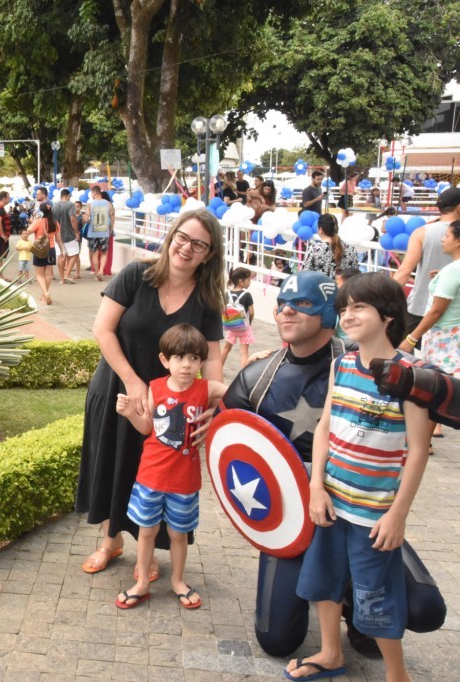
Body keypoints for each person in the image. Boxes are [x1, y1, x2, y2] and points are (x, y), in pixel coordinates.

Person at [218, 272, 445, 660]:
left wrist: (397, 513)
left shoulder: (375, 365)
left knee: (423, 608)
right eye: (283, 303)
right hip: (294, 515)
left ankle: (353, 599)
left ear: (327, 313)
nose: (287, 310)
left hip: (362, 509)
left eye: (302, 303)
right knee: (276, 640)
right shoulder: (257, 378)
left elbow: (419, 442)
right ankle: (334, 592)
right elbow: (231, 443)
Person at [286, 274, 431, 681]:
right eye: (344, 308)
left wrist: (397, 515)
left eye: (359, 308)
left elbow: (418, 451)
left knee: (377, 594)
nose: (348, 315)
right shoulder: (342, 364)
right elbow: (326, 428)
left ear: (387, 316)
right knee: (323, 581)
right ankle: (331, 652)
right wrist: (316, 486)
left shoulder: (412, 374)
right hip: (332, 501)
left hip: (374, 513)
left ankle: (397, 674)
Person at [76, 209, 225, 578]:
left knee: (160, 476)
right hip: (118, 386)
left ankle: (149, 554)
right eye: (183, 238)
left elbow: (214, 359)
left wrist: (214, 408)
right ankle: (111, 541)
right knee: (113, 462)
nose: (187, 249)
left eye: (199, 245)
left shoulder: (207, 300)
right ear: (172, 236)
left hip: (171, 404)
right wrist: (132, 380)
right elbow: (103, 330)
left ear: (208, 254)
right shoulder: (135, 276)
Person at [114, 325, 225, 610]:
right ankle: (142, 583)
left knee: (178, 534)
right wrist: (130, 414)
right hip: (151, 477)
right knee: (146, 531)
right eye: (178, 358)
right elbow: (147, 427)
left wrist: (219, 412)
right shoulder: (156, 387)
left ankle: (178, 580)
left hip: (185, 481)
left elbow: (240, 396)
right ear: (165, 360)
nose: (186, 365)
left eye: (193, 358)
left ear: (202, 361)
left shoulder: (206, 388)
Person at [392, 188, 460, 345]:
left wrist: (384, 299)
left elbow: (404, 271)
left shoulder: (422, 232)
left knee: (408, 362)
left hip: (421, 308)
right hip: (453, 316)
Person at [302, 213, 359, 278]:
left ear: (320, 229)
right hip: (345, 287)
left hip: (321, 287)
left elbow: (305, 273)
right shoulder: (351, 248)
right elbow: (355, 273)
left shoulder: (314, 249)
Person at [220, 267, 255, 370]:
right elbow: (252, 312)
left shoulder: (227, 294)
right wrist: (250, 322)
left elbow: (223, 310)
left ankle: (218, 369)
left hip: (231, 326)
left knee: (226, 348)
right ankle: (243, 373)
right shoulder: (247, 295)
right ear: (241, 281)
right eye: (248, 280)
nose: (250, 282)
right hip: (244, 327)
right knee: (244, 352)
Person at [29, 202, 58, 305]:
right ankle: (44, 295)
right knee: (49, 273)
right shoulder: (55, 223)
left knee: (39, 274)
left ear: (41, 211)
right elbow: (58, 239)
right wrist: (63, 251)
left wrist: (33, 221)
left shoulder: (38, 222)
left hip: (39, 249)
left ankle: (45, 293)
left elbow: (28, 231)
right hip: (51, 249)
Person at [86, 186, 112, 281]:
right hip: (104, 231)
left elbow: (86, 217)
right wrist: (111, 228)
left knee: (95, 253)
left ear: (94, 193)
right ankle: (101, 271)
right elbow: (112, 216)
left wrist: (84, 220)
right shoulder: (108, 204)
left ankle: (97, 273)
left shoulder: (90, 204)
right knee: (104, 253)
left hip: (93, 232)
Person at [53, 188, 79, 284]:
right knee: (75, 253)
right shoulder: (70, 205)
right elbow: (72, 219)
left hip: (58, 235)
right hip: (69, 234)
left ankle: (62, 279)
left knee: (61, 255)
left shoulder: (54, 206)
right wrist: (76, 232)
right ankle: (67, 273)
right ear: (67, 196)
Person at [0, 191, 12, 263]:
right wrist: (3, 234)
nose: (9, 199)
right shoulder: (0, 209)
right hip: (0, 235)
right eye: (8, 198)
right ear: (4, 199)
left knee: (0, 254)